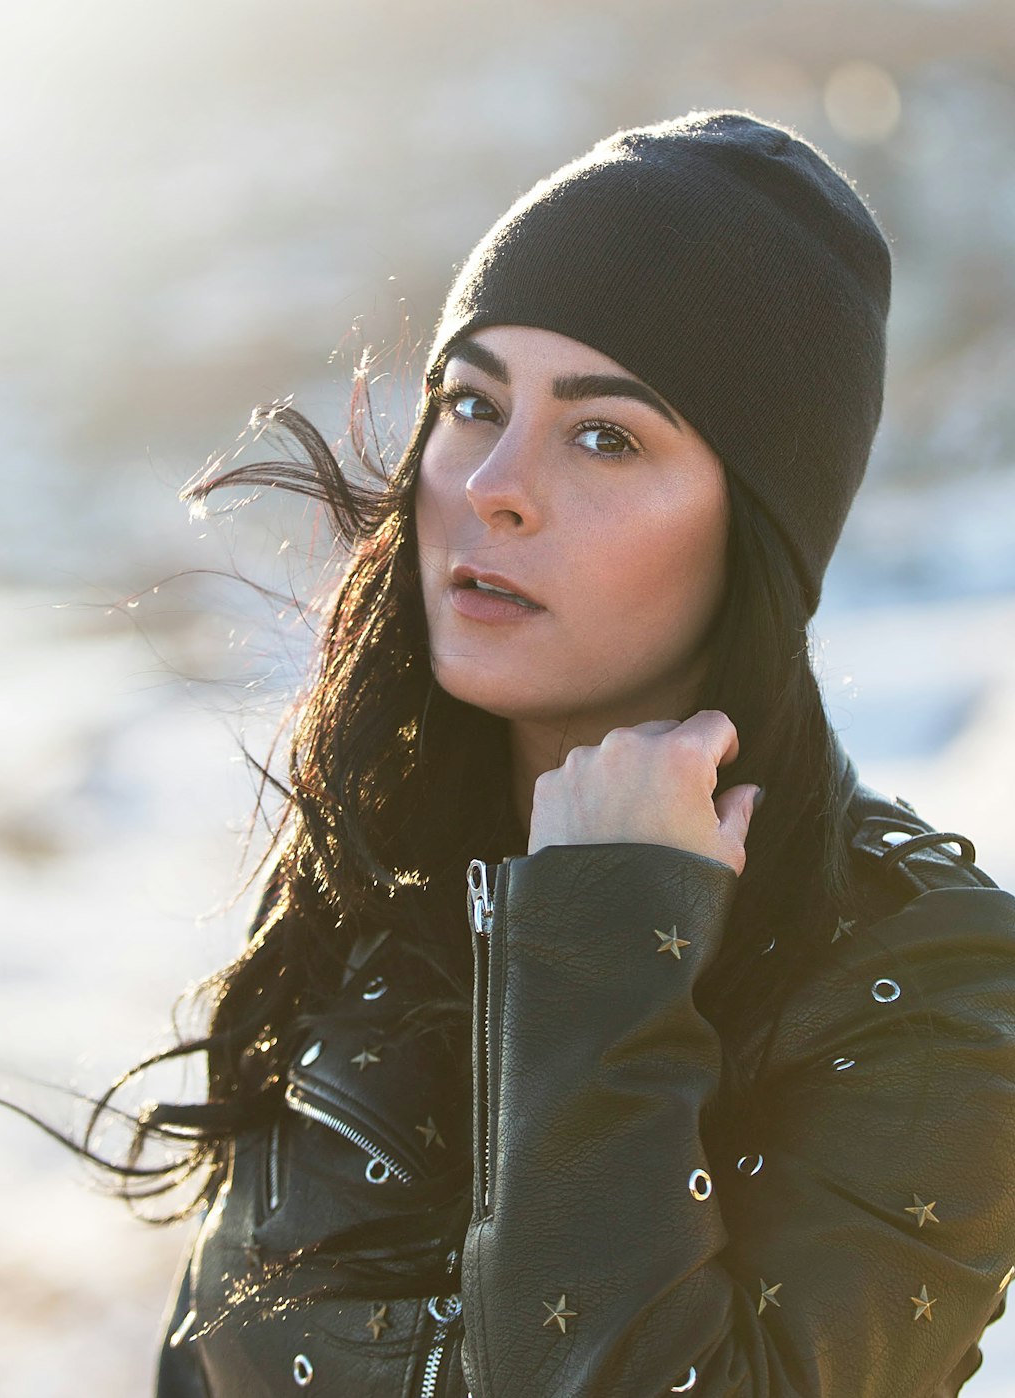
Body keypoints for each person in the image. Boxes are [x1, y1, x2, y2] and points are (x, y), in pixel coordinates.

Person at [119, 110, 1015, 1395]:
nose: (495, 482)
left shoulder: (933, 991)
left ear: (760, 529)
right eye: (473, 401)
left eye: (606, 435)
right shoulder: (382, 871)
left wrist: (611, 941)